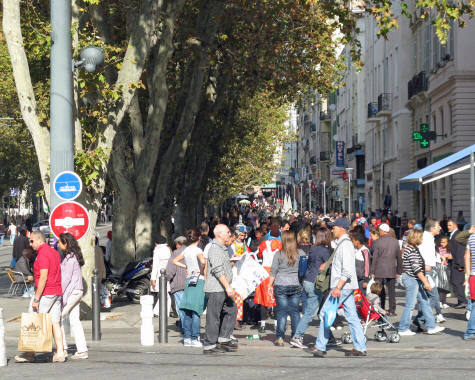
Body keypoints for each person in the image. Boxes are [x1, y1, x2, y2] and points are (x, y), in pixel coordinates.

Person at [311, 218, 367, 358]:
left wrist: (338, 288)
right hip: (346, 286)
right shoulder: (342, 244)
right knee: (352, 316)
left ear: (341, 228)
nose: (332, 229)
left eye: (334, 227)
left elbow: (347, 270)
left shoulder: (346, 245)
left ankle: (320, 346)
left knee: (324, 313)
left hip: (342, 286)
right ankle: (360, 347)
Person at [15, 230, 65, 363]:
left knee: (33, 320)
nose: (30, 244)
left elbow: (43, 277)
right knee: (55, 322)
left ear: (39, 240)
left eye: (32, 241)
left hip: (46, 293)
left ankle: (30, 353)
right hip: (57, 291)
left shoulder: (42, 254)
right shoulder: (54, 252)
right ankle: (60, 352)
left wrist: (36, 298)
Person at [398, 229, 445, 336]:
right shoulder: (411, 250)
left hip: (414, 279)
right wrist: (426, 282)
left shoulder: (413, 248)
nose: (422, 239)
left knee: (424, 302)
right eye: (421, 237)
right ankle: (403, 328)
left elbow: (416, 265)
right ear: (416, 238)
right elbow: (416, 269)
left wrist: (424, 269)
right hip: (411, 279)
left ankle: (431, 326)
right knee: (410, 305)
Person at [290, 227, 332, 349]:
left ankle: (328, 337)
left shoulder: (313, 249)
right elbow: (326, 266)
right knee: (310, 312)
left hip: (307, 280)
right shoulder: (324, 251)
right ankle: (297, 336)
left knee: (320, 310)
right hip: (316, 282)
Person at [203, 224, 237, 354]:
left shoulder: (222, 248)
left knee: (231, 310)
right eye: (228, 232)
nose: (230, 234)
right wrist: (227, 286)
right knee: (214, 317)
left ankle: (223, 338)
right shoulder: (215, 248)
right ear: (220, 234)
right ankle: (209, 345)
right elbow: (217, 270)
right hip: (216, 289)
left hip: (222, 288)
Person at [267, 231, 303, 347]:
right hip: (295, 284)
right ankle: (295, 337)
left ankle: (280, 338)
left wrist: (269, 286)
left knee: (281, 312)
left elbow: (273, 272)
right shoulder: (300, 253)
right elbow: (303, 270)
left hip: (280, 284)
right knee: (295, 312)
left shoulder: (279, 254)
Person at [173, 229, 206, 347]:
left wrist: (186, 266)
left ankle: (187, 337)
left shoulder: (186, 250)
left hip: (189, 280)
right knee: (196, 310)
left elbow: (175, 260)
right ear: (199, 238)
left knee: (187, 309)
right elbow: (203, 262)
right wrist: (202, 267)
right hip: (199, 279)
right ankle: (195, 337)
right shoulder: (198, 250)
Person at [58, 233, 88, 359]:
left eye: (60, 242)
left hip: (72, 292)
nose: (58, 245)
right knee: (74, 320)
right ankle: (82, 350)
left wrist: (60, 295)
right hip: (77, 291)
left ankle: (63, 348)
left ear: (66, 244)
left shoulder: (69, 259)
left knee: (58, 318)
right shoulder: (72, 257)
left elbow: (65, 280)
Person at [414, 218, 444, 328]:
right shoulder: (425, 238)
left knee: (425, 297)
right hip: (426, 271)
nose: (440, 227)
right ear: (432, 228)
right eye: (438, 226)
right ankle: (420, 318)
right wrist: (425, 269)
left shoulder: (430, 237)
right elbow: (420, 254)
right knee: (434, 296)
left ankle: (421, 320)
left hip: (429, 270)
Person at [370, 223, 402, 316]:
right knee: (392, 290)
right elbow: (399, 257)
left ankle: (381, 308)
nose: (379, 232)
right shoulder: (395, 241)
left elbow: (375, 257)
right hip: (391, 269)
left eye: (379, 230)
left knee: (379, 290)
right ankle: (392, 309)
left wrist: (372, 271)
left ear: (382, 231)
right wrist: (399, 270)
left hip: (379, 269)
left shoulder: (378, 242)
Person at [166, 236, 188, 332]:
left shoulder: (175, 253)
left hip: (179, 285)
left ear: (177, 244)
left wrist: (165, 279)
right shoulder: (193, 251)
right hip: (193, 284)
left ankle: (185, 328)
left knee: (181, 308)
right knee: (190, 308)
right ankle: (191, 327)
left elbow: (170, 271)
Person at [448, 219, 467, 308]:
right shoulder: (453, 235)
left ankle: (463, 301)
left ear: (455, 226)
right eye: (448, 225)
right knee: (456, 282)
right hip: (454, 262)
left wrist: (460, 264)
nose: (448, 227)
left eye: (450, 225)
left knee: (457, 282)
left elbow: (460, 250)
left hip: (457, 263)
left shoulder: (458, 235)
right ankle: (461, 301)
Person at [151, 236, 172, 316]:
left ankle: (158, 311)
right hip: (168, 273)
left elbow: (155, 265)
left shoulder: (157, 250)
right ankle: (163, 311)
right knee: (166, 293)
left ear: (156, 243)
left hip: (159, 274)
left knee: (163, 294)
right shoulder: (168, 249)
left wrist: (153, 278)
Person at [463, 229, 475, 340]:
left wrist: (468, 274)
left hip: (473, 275)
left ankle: (470, 331)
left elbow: (466, 256)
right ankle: (470, 332)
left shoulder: (471, 238)